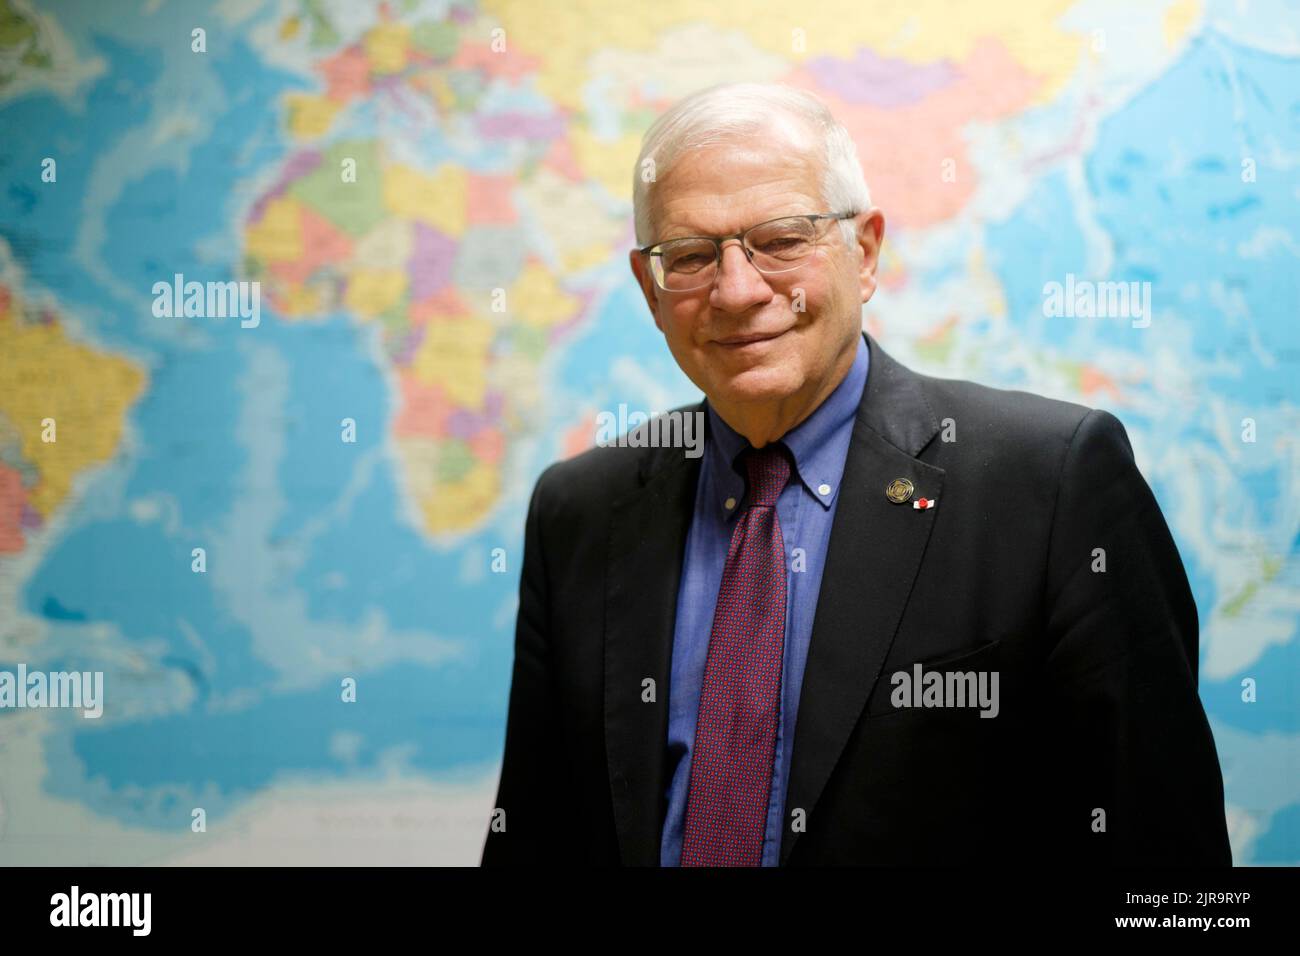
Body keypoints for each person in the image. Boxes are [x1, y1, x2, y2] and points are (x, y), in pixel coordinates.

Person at [480, 82, 1231, 866]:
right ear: (650, 288)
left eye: (781, 239)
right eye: (693, 257)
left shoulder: (1049, 483)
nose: (738, 291)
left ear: (864, 252)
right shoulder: (580, 510)